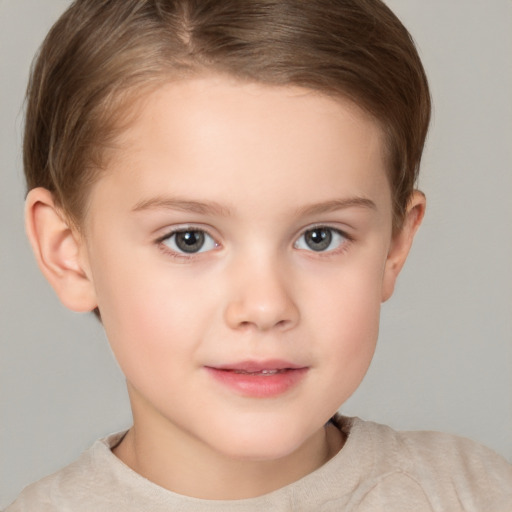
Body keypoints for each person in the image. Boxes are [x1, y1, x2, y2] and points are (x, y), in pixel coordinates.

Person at [6, 0, 512, 510]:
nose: (266, 306)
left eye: (320, 236)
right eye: (189, 239)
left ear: (394, 245)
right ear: (69, 253)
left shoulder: (475, 495)